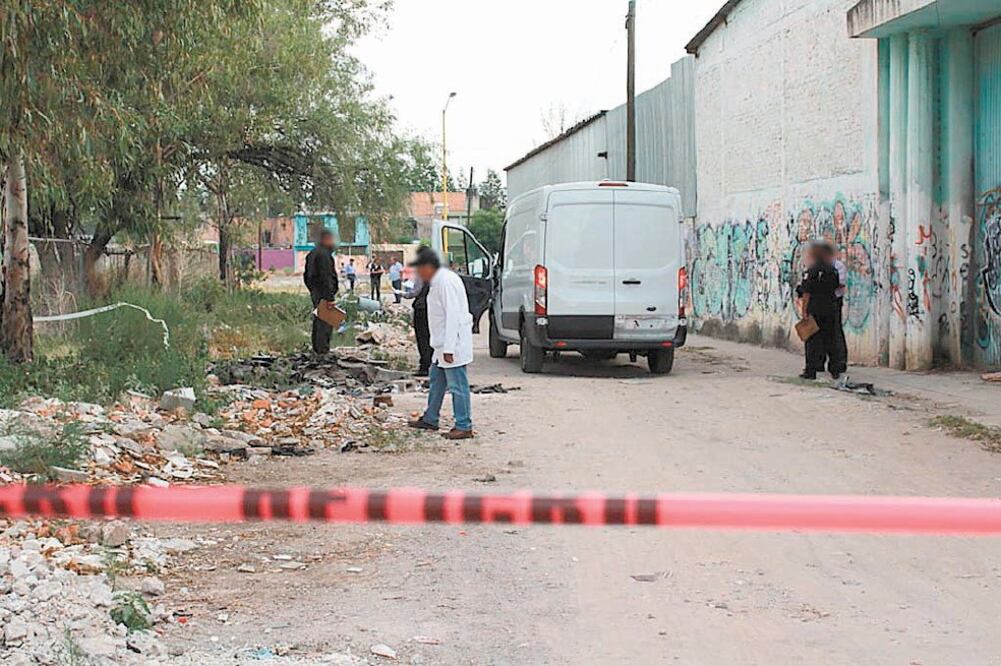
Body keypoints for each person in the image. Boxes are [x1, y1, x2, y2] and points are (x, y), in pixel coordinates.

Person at [407, 247, 474, 440]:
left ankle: (464, 425)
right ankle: (431, 418)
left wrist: (449, 348)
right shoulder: (438, 281)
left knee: (457, 385)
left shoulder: (445, 282)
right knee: (436, 380)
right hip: (441, 343)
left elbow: (453, 315)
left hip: (451, 342)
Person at [795, 240, 841, 380]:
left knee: (812, 341)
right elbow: (836, 288)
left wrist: (804, 311)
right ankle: (834, 369)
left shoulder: (811, 271)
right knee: (831, 339)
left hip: (815, 309)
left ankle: (811, 370)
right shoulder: (833, 271)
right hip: (830, 308)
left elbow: (807, 293)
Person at [303, 231, 339, 355]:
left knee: (319, 320)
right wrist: (329, 297)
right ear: (326, 239)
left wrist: (312, 290)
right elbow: (326, 277)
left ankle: (317, 349)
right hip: (324, 294)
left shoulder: (311, 254)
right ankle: (322, 350)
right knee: (325, 322)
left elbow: (306, 276)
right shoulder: (324, 255)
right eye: (331, 239)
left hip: (316, 293)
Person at [403, 273, 432, 376]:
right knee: (430, 337)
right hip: (432, 309)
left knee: (422, 338)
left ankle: (424, 366)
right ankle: (432, 364)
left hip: (421, 308)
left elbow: (416, 291)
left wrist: (404, 294)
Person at [830, 246, 849, 377]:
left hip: (834, 301)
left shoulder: (838, 266)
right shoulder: (815, 266)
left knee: (835, 331)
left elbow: (841, 283)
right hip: (820, 301)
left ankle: (839, 363)